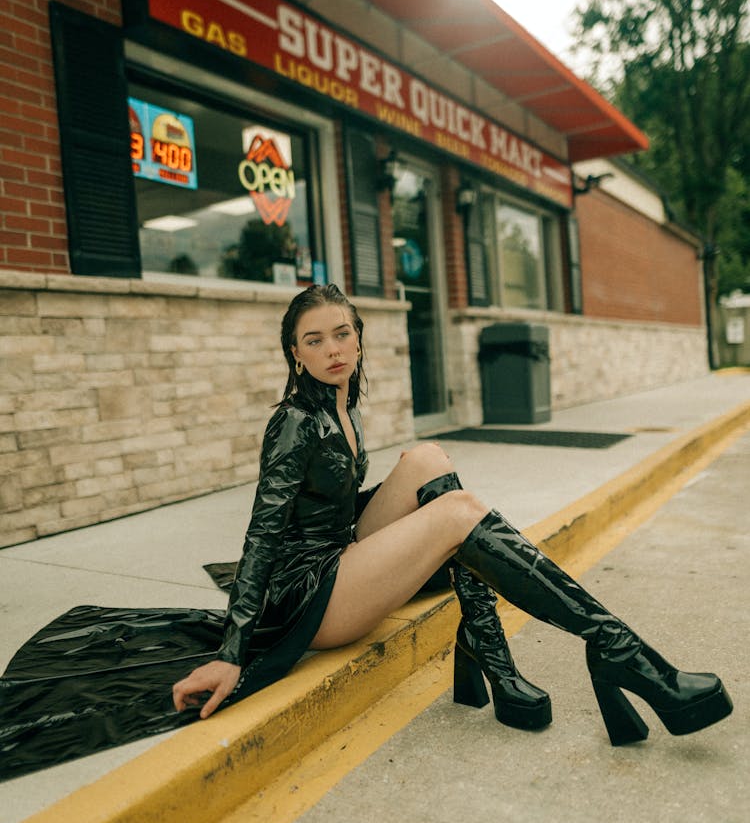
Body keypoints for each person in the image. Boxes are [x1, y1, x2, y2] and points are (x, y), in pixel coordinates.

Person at [173, 284, 733, 746]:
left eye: (342, 334)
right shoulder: (293, 422)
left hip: (336, 554)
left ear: (360, 340)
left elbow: (331, 503)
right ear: (296, 354)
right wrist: (233, 652)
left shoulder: (343, 403)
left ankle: (488, 650)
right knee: (457, 512)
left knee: (428, 460)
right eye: (314, 341)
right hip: (304, 598)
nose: (333, 350)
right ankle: (618, 653)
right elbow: (262, 536)